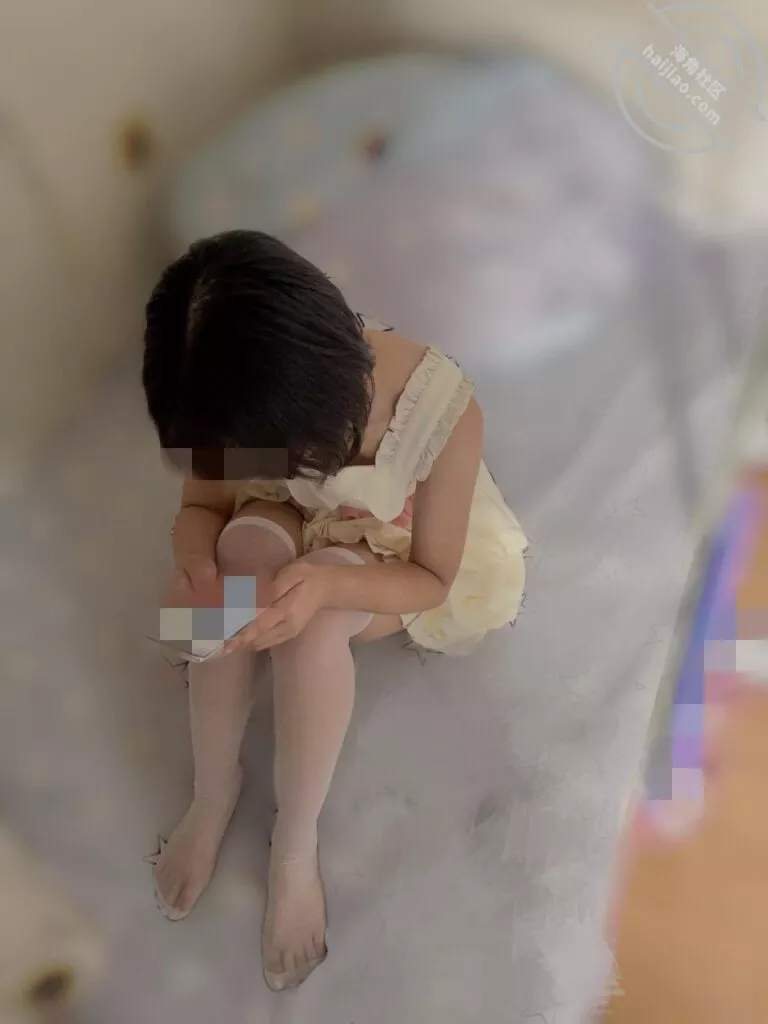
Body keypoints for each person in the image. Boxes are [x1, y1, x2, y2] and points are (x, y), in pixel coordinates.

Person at [141, 230, 527, 991]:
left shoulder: (441, 414)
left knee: (314, 619)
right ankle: (213, 793)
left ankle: (295, 844)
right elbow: (202, 509)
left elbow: (429, 578)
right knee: (238, 560)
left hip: (384, 548)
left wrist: (328, 587)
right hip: (281, 510)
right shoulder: (233, 406)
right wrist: (195, 565)